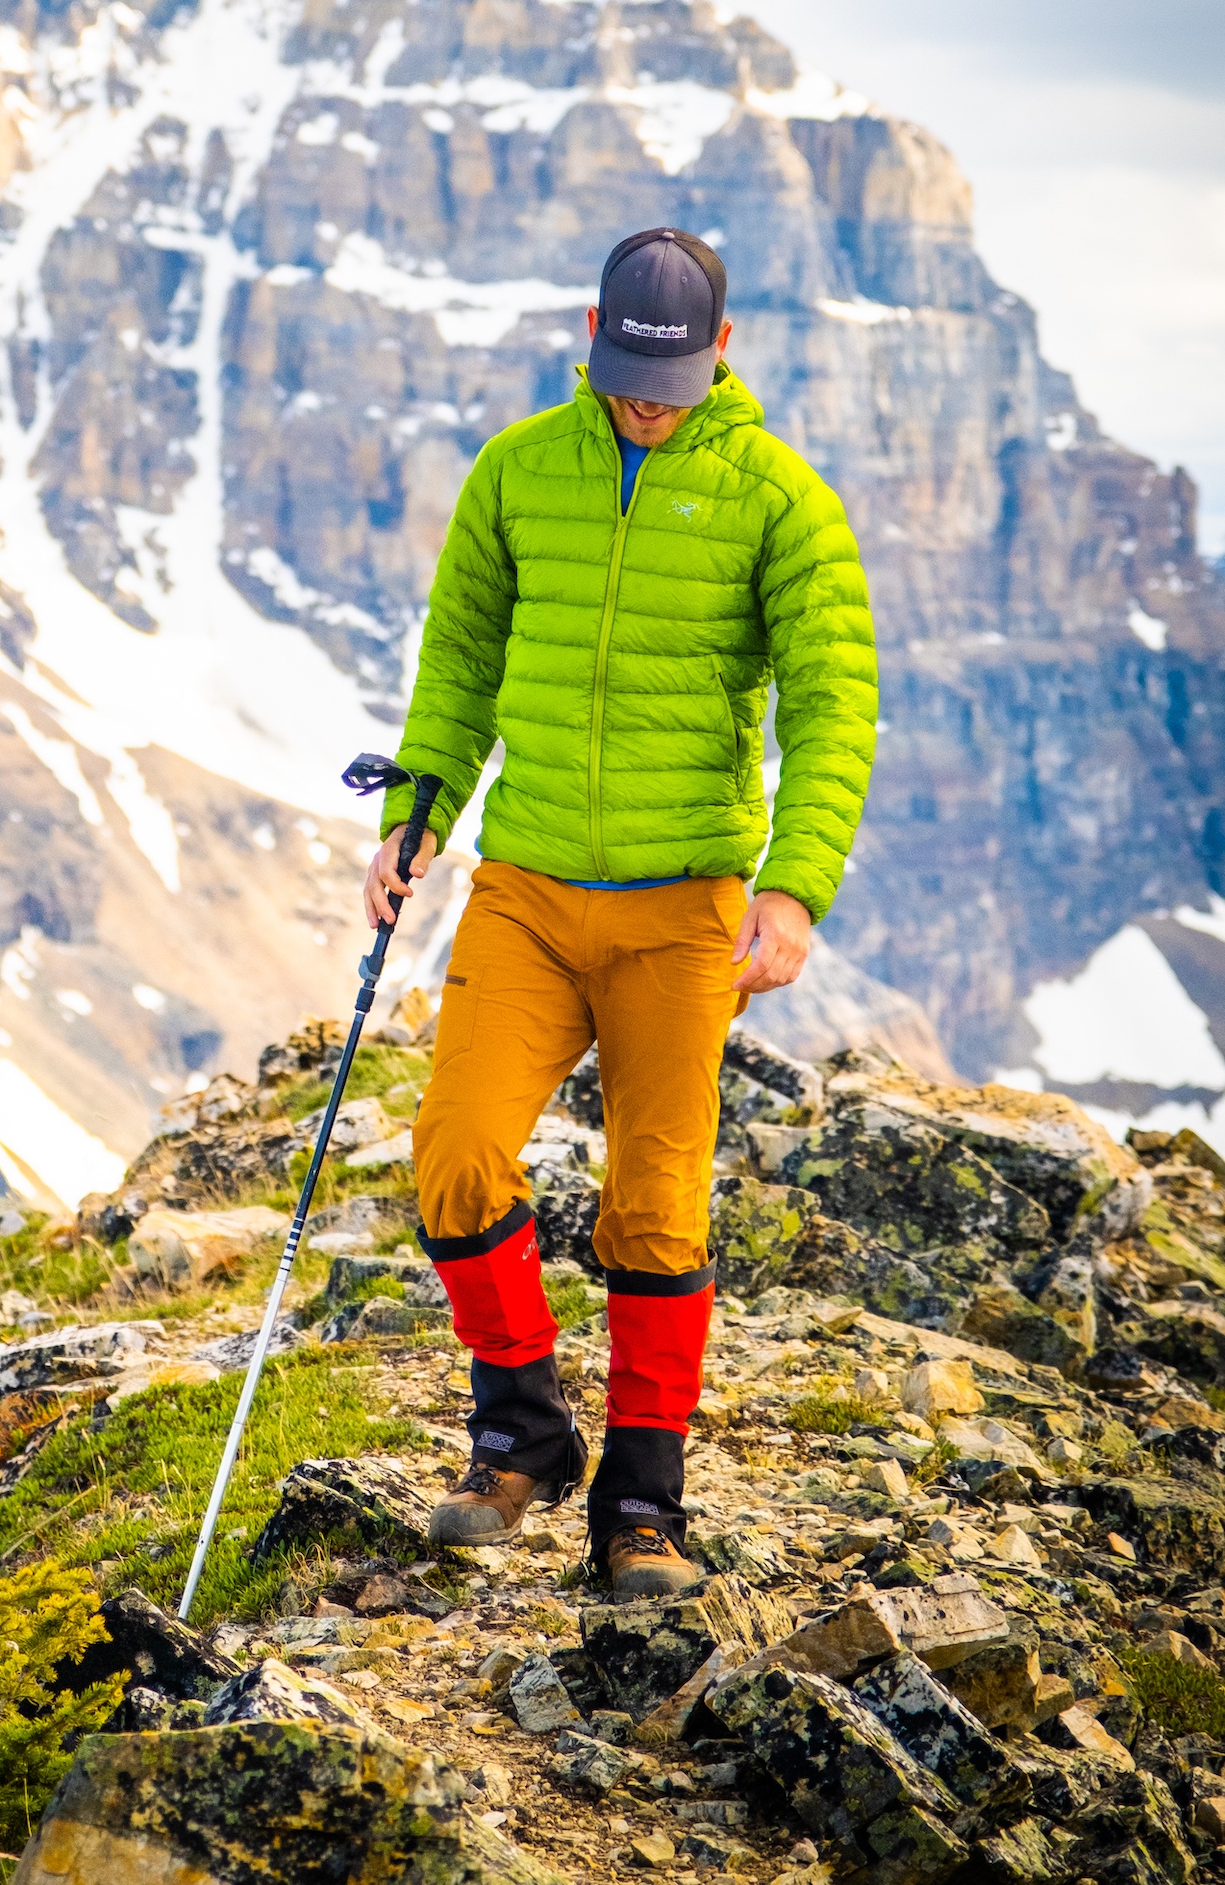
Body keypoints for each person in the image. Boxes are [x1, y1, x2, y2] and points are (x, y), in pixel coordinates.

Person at [362, 225, 876, 1596]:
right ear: (590, 334)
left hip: (681, 908)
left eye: (675, 378)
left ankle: (643, 1504)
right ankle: (522, 1433)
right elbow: (461, 663)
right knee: (457, 1155)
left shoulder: (781, 502)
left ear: (725, 350)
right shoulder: (521, 472)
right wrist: (416, 810)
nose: (648, 401)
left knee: (656, 1206)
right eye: (626, 372)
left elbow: (834, 710)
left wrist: (793, 887)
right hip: (527, 891)